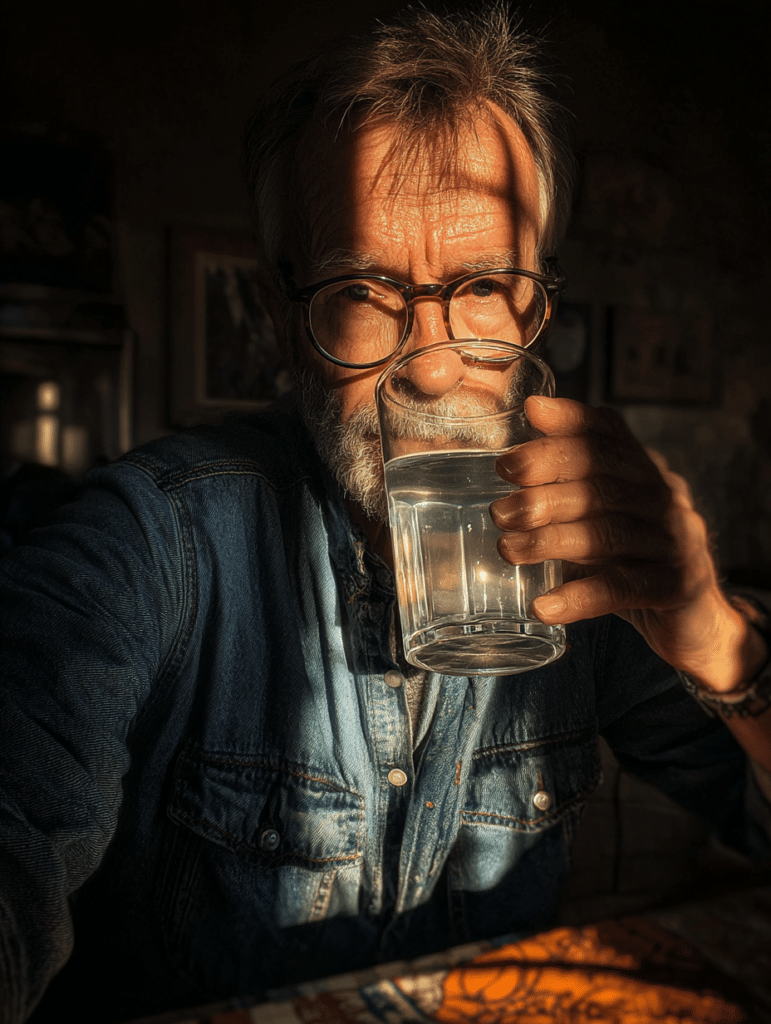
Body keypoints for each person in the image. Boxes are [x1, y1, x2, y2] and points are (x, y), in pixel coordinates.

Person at [2, 6, 770, 1023]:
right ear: (286, 320)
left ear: (533, 309)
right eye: (367, 289)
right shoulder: (152, 543)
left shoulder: (583, 564)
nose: (437, 365)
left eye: (484, 286)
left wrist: (724, 641)